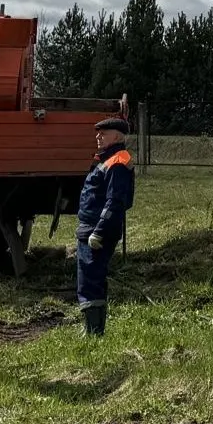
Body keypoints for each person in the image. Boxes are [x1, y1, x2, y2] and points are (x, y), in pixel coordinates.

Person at [75, 116, 136, 337]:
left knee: (90, 280)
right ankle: (93, 329)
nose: (98, 137)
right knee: (91, 278)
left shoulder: (117, 161)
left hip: (95, 230)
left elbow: (116, 200)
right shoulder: (108, 159)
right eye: (97, 133)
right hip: (90, 227)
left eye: (104, 133)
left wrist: (99, 231)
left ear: (117, 136)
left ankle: (93, 332)